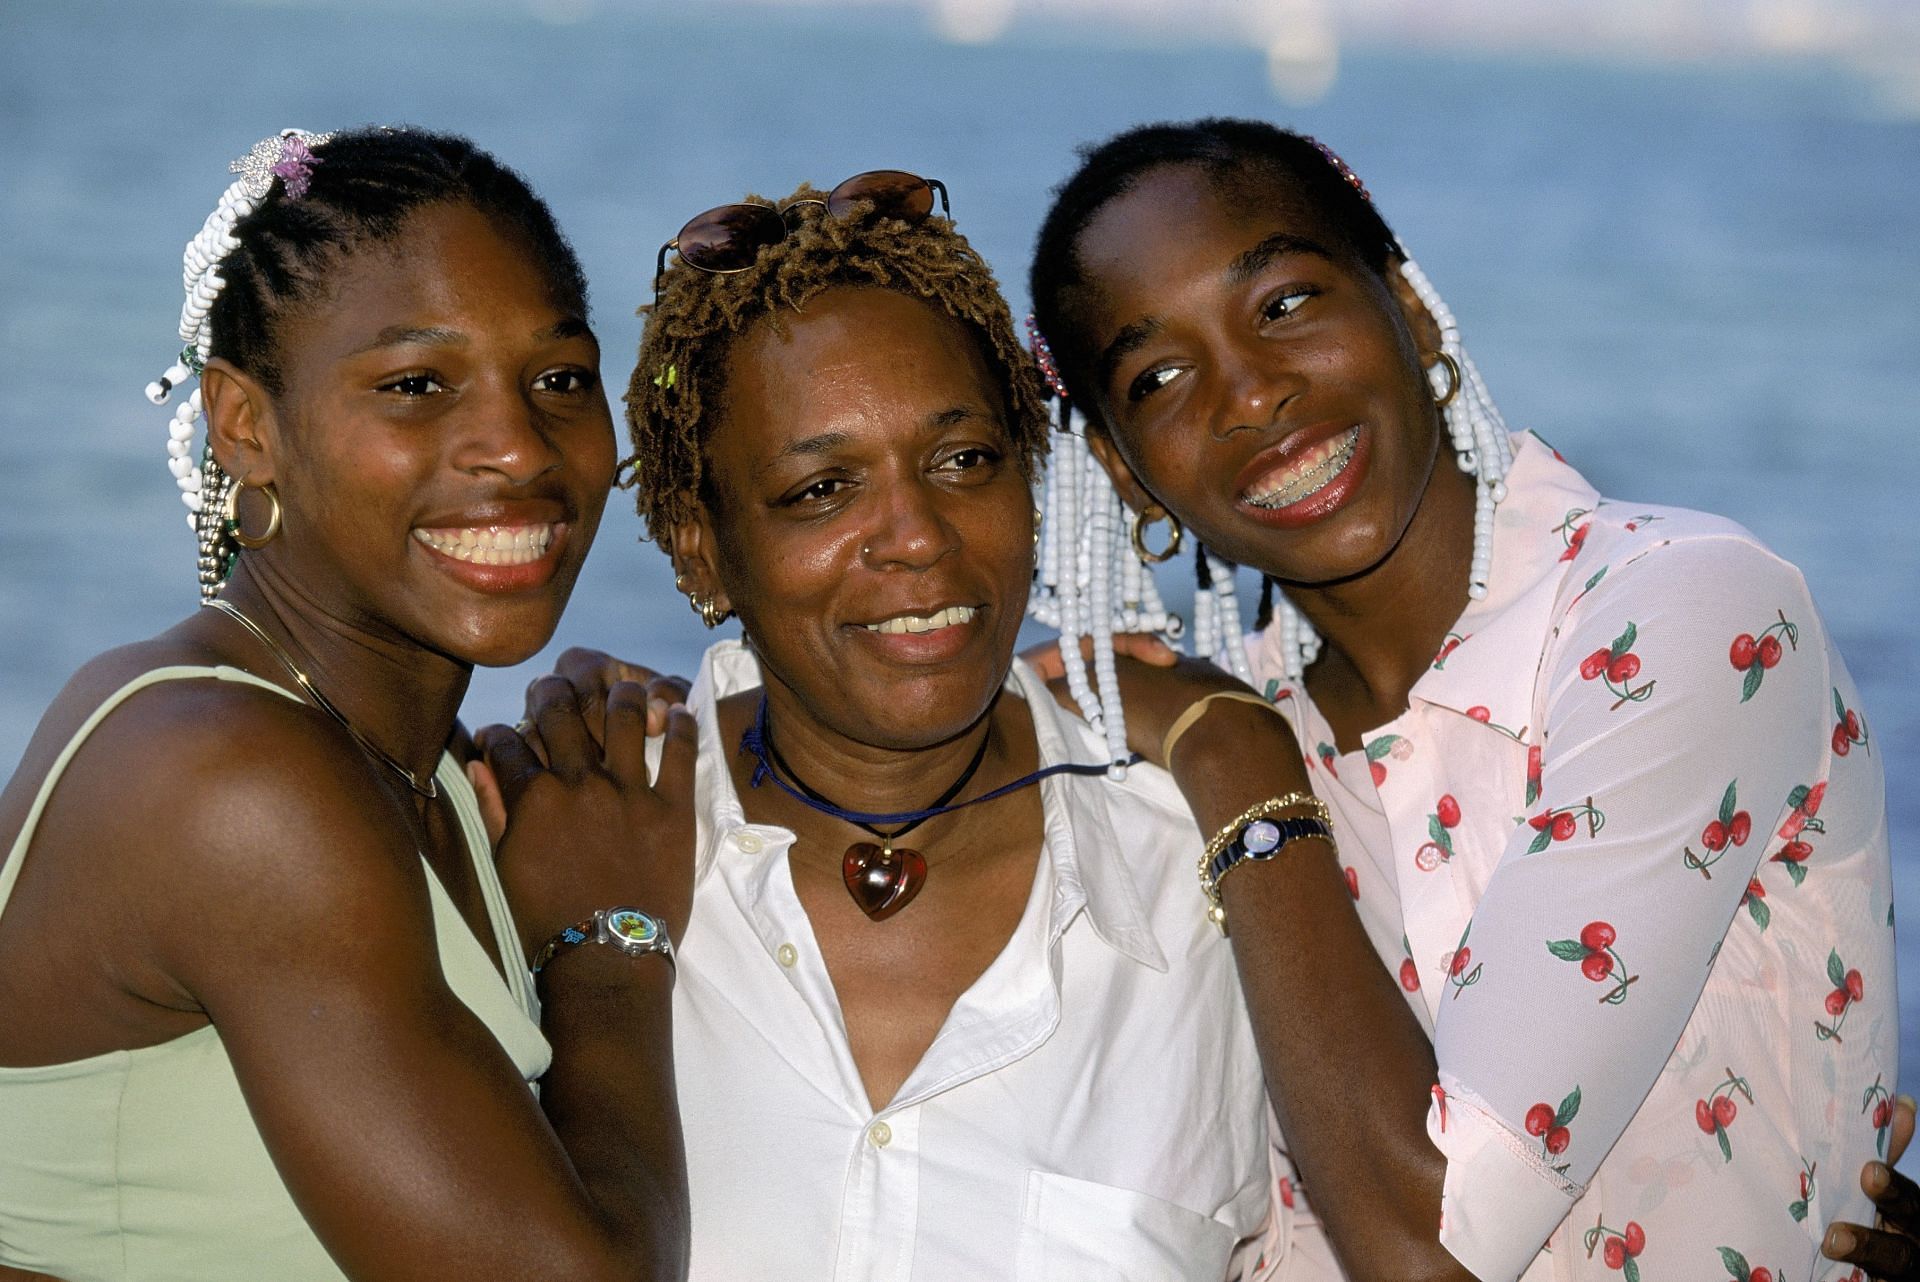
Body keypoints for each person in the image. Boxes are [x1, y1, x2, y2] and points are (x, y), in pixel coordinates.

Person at [1020, 118, 1899, 1280]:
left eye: (1283, 303)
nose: (1251, 393)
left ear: (1412, 310)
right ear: (1130, 475)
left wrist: (1240, 767)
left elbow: (1433, 1250)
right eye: (1160, 376)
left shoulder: (1679, 617)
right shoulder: (1162, 753)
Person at [519, 170, 1336, 1278]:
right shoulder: (563, 845)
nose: (915, 536)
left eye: (964, 461)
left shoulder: (1210, 887)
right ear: (701, 548)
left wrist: (1235, 748)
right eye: (821, 490)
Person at [0, 127, 695, 1281]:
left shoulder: (410, 768)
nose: (517, 448)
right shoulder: (228, 781)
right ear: (245, 425)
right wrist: (606, 941)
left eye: (560, 379)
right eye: (416, 386)